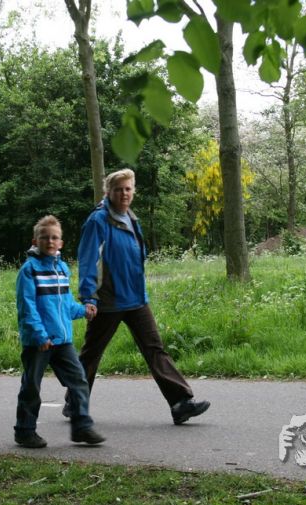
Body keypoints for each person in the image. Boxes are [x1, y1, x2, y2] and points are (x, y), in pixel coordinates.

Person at [66, 169, 211, 425]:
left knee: (155, 349)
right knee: (91, 353)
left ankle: (180, 403)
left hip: (136, 299)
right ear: (108, 192)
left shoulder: (131, 218)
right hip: (108, 300)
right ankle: (75, 402)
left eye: (128, 189)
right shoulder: (98, 221)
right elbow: (88, 261)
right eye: (118, 189)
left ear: (133, 191)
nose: (124, 193)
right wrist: (89, 297)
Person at [15, 215, 105, 448]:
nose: (50, 241)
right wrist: (39, 335)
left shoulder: (62, 269)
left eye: (54, 237)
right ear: (35, 241)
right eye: (44, 237)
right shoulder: (29, 270)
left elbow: (65, 304)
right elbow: (27, 307)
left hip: (62, 340)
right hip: (39, 341)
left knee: (79, 380)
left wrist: (83, 310)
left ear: (61, 243)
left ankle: (82, 426)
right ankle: (25, 430)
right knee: (32, 385)